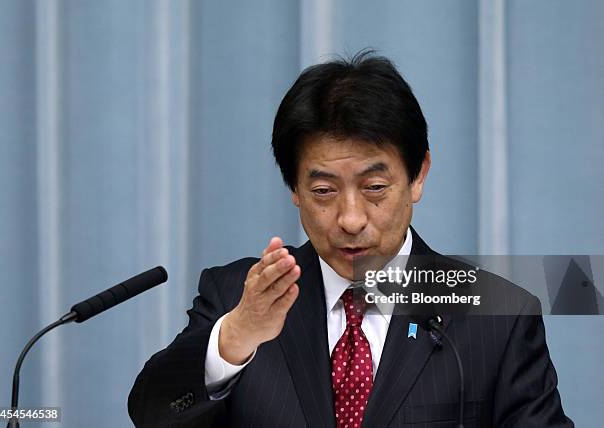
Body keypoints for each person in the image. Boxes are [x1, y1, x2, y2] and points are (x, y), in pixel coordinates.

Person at [128, 51, 573, 427]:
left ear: (418, 176)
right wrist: (238, 335)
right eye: (324, 191)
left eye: (375, 188)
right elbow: (150, 414)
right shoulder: (236, 297)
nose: (351, 219)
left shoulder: (499, 314)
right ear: (295, 191)